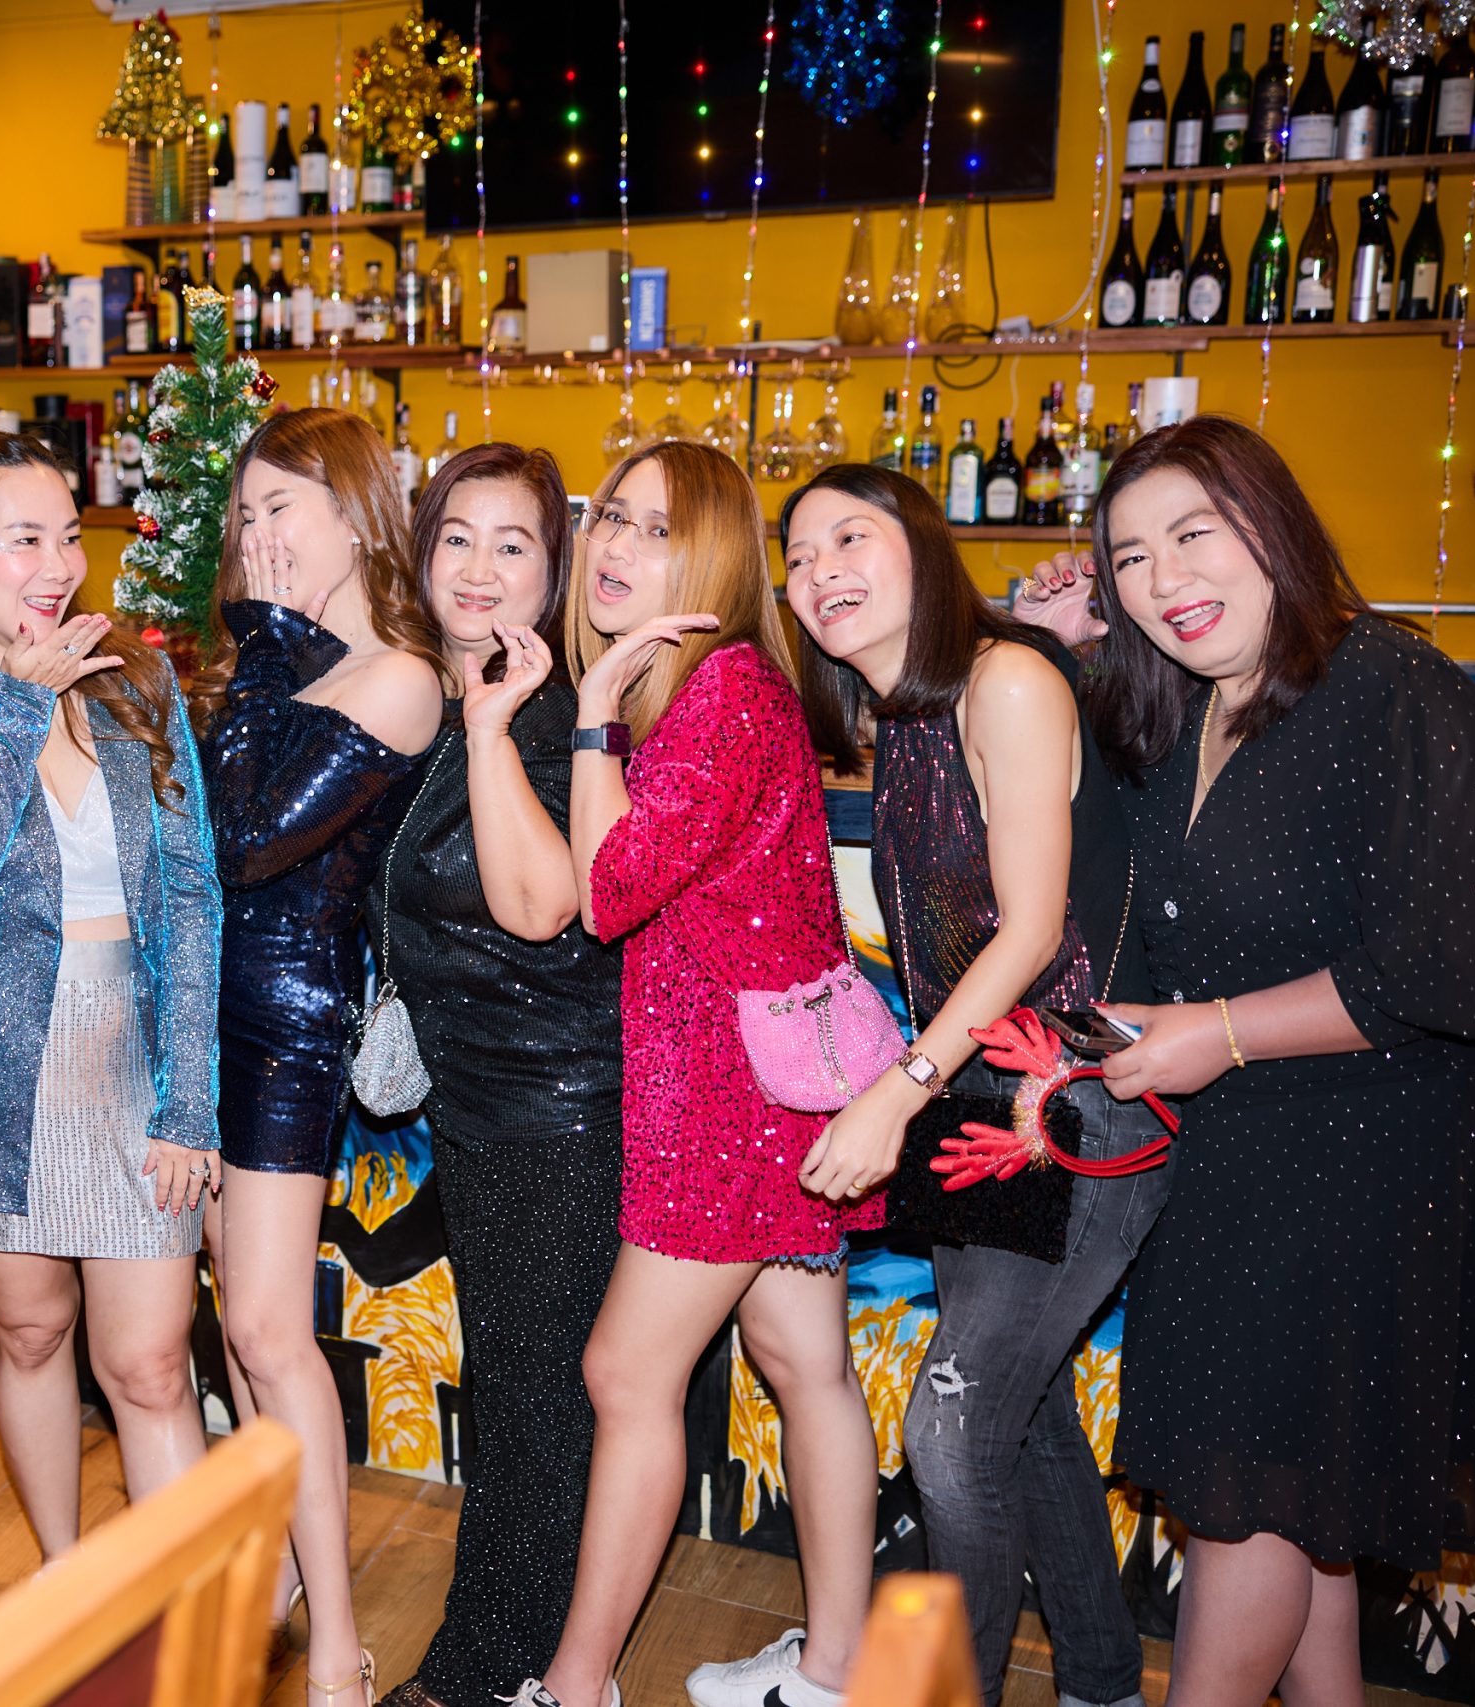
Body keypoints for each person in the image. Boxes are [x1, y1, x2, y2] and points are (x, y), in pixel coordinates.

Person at [1021, 417, 1475, 1707]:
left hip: (1375, 1158)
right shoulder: (1182, 704)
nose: (1164, 580)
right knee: (1293, 1497)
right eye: (1129, 558)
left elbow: (1460, 969)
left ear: (1272, 527)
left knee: (1242, 1498)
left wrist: (1219, 1031)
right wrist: (1052, 649)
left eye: (1192, 534)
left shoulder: (1398, 692)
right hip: (1244, 1153)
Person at [780, 464, 1164, 1707]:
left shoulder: (1003, 680)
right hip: (989, 1099)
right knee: (1019, 1414)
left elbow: (1033, 930)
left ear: (922, 551)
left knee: (948, 1429)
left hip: (1084, 1098)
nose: (819, 571)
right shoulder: (912, 711)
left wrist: (897, 1090)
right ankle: (1101, 1679)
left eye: (850, 538)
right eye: (799, 557)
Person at [508, 443, 877, 1707]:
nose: (614, 546)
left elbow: (606, 895)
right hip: (767, 1087)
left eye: (655, 530)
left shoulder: (718, 693)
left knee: (625, 1376)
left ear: (713, 555)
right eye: (610, 517)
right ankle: (833, 1671)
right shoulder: (730, 688)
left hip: (729, 1100)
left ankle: (575, 1687)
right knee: (805, 1368)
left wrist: (593, 716)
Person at [0, 432, 222, 1555]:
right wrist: (21, 706)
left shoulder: (138, 678)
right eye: (24, 540)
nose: (59, 565)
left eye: (68, 536)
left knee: (150, 1362)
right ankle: (66, 1594)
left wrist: (190, 1100)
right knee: (29, 1335)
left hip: (132, 1057)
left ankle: (188, 1630)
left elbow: (194, 898)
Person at [362, 445, 622, 1707]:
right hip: (483, 1108)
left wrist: (483, 728)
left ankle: (482, 1673)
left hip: (555, 1111)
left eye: (511, 544)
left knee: (530, 1404)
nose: (476, 568)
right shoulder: (446, 695)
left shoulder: (550, 715)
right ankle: (527, 1653)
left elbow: (539, 906)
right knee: (522, 1389)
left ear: (553, 570)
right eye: (454, 538)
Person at [198, 407, 447, 1707]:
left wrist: (261, 642)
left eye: (280, 507)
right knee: (237, 1336)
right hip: (201, 1015)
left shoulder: (400, 673)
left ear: (355, 516)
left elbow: (245, 839)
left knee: (268, 1328)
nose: (257, 535)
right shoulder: (284, 659)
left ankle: (339, 1642)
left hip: (286, 1024)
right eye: (244, 514)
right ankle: (284, 1575)